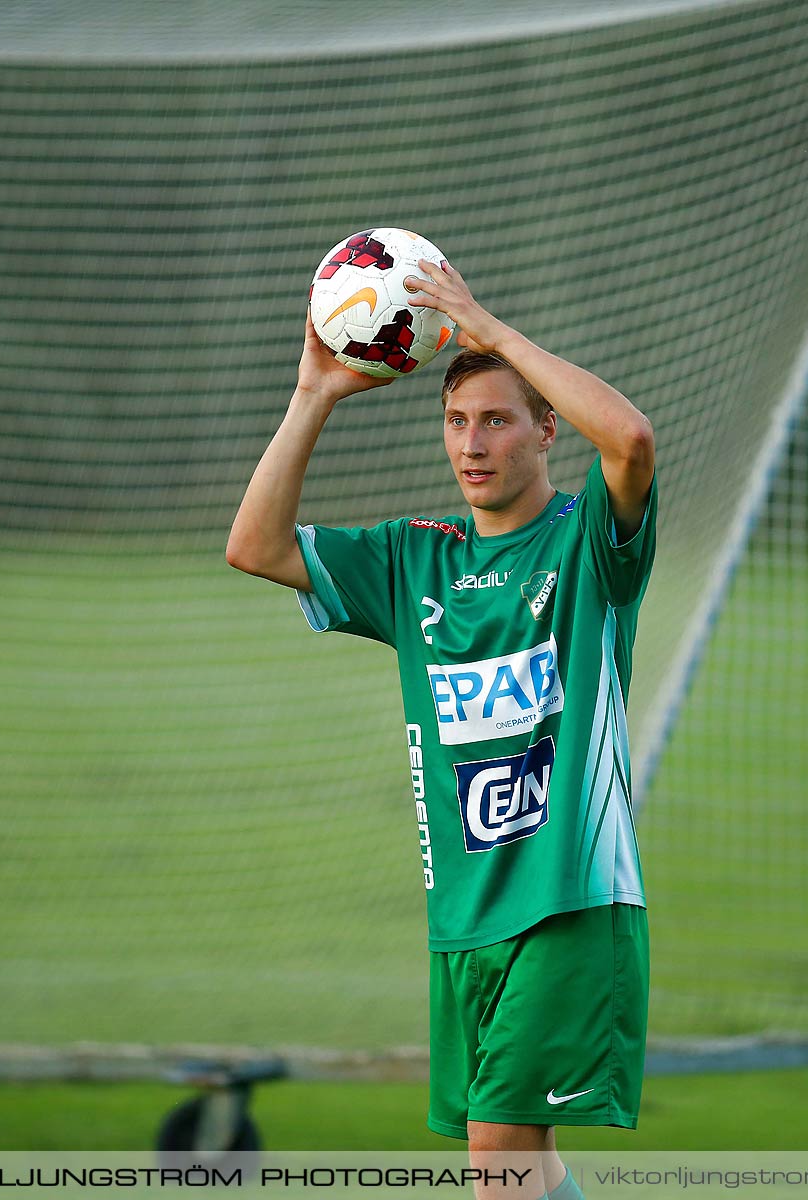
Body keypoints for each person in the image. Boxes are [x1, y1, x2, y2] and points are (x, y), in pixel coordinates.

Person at [226, 258, 656, 1200]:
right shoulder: (412, 562)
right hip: (462, 918)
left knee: (497, 1161)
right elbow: (253, 545)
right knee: (521, 1165)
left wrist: (494, 334)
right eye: (457, 421)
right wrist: (312, 395)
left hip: (568, 905)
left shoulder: (588, 546)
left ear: (546, 429)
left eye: (498, 419)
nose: (473, 443)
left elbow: (628, 439)